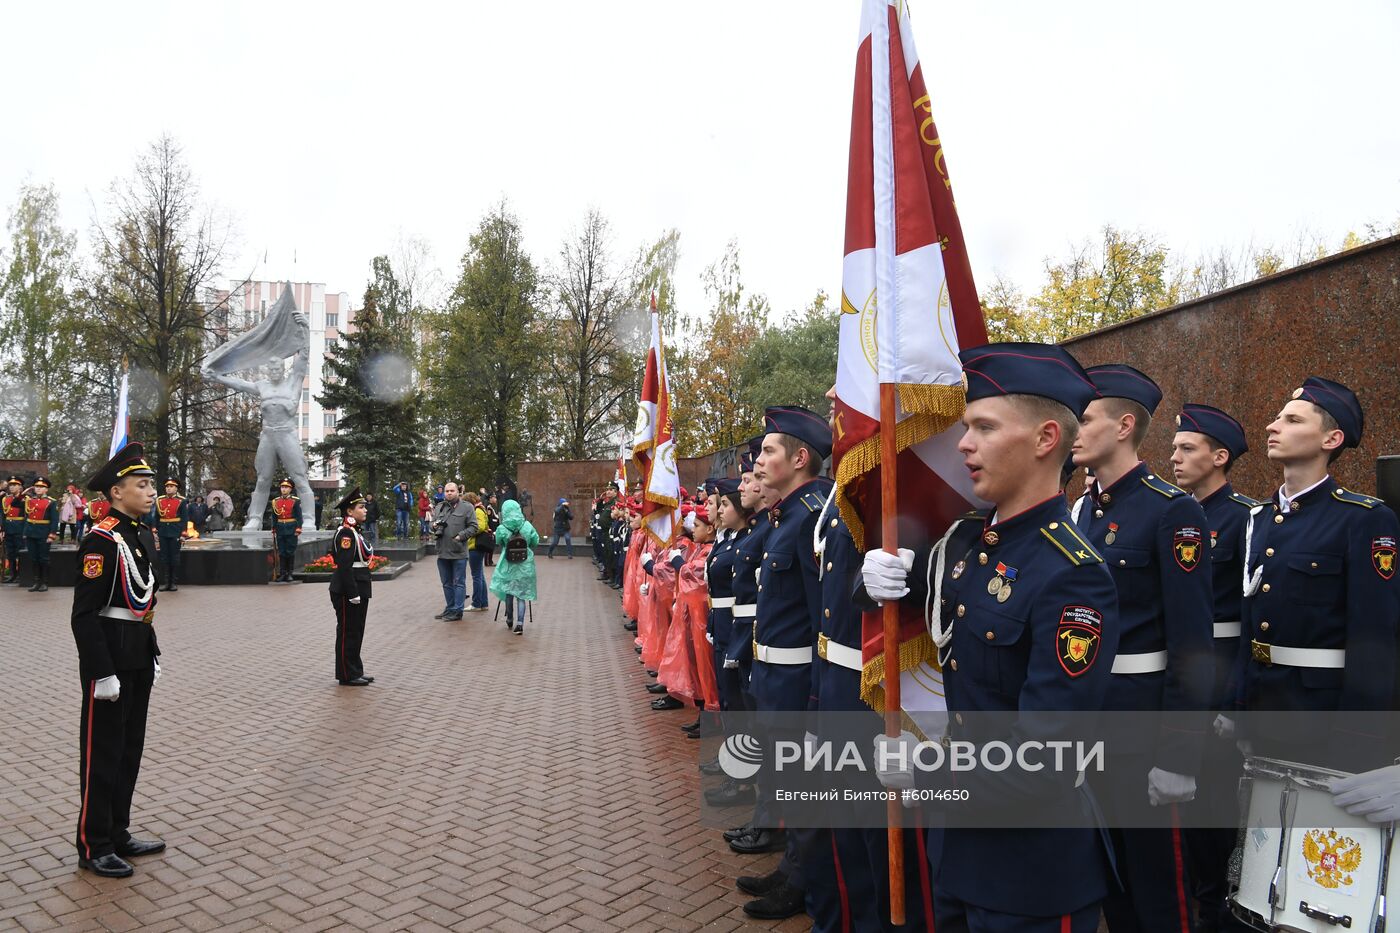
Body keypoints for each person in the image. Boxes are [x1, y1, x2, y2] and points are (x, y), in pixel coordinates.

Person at [863, 341, 1120, 933]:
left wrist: (921, 770)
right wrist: (872, 577)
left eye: (983, 426)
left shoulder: (1073, 575)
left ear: (1045, 439)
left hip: (1030, 869)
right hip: (960, 850)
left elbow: (1046, 760)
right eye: (966, 427)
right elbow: (896, 588)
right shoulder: (965, 546)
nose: (963, 444)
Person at [1071, 363, 1213, 933]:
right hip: (1087, 725)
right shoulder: (1080, 511)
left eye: (1084, 419)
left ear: (1125, 425)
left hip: (1142, 727)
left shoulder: (1172, 510)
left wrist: (1179, 754)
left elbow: (1192, 640)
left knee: (1159, 888)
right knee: (1109, 881)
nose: (1072, 431)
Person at [1223, 377, 1399, 772]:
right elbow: (1250, 624)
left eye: (1291, 420)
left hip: (1323, 721)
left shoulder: (1363, 519)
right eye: (1275, 418)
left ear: (1331, 439)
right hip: (1263, 710)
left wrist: (1360, 741)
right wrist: (1237, 707)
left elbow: (1374, 640)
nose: (1272, 426)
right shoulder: (1259, 519)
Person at [738, 407, 834, 921]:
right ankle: (791, 867)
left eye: (769, 450)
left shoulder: (810, 516)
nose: (759, 458)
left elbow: (822, 615)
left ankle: (801, 883)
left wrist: (817, 691)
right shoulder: (786, 515)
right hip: (776, 672)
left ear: (800, 459)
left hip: (800, 677)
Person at [1169, 403, 1259, 933]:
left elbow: (1252, 619)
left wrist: (1236, 702)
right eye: (1175, 448)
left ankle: (1220, 910)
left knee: (1215, 814)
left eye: (1187, 449)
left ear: (1219, 457)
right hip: (1181, 678)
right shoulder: (1171, 513)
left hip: (1222, 681)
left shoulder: (1245, 519)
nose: (1175, 458)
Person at [71, 441, 164, 878]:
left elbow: (143, 603)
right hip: (110, 661)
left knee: (129, 751)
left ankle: (119, 831)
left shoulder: (138, 535)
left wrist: (152, 653)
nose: (151, 492)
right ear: (115, 492)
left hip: (136, 657)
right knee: (102, 753)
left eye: (152, 485)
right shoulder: (101, 541)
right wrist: (101, 672)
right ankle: (95, 843)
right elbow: (84, 616)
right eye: (142, 485)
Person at [330, 488, 375, 686]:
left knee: (357, 631)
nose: (365, 510)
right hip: (349, 589)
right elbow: (344, 566)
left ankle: (355, 669)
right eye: (361, 507)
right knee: (348, 631)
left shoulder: (354, 531)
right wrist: (352, 592)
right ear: (349, 512)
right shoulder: (346, 534)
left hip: (359, 585)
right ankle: (346, 674)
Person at [491, 499, 539, 634]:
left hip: (507, 564)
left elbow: (498, 541)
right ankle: (520, 624)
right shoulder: (527, 525)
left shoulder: (502, 527)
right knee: (522, 595)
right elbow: (535, 541)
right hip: (525, 565)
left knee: (509, 592)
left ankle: (509, 619)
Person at [431, 481, 478, 622]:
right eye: (447, 491)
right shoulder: (440, 507)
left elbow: (474, 527)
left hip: (458, 552)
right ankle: (450, 608)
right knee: (446, 583)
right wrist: (433, 526)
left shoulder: (467, 507)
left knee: (458, 582)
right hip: (442, 550)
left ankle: (457, 611)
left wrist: (460, 536)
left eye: (452, 491)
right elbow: (431, 523)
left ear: (458, 492)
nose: (449, 493)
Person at [24, 476, 59, 591]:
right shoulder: (30, 500)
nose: (38, 489)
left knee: (43, 558)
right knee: (33, 558)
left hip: (43, 533)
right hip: (31, 533)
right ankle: (36, 581)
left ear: (46, 489)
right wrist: (25, 532)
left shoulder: (51, 502)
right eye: (37, 487)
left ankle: (44, 582)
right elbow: (26, 516)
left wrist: (52, 534)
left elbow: (54, 520)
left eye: (41, 487)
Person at [153, 480, 189, 592]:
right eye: (167, 486)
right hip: (163, 531)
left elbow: (184, 518)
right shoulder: (159, 500)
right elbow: (157, 517)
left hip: (175, 531)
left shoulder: (182, 501)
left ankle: (173, 582)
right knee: (164, 557)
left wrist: (183, 533)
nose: (168, 488)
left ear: (176, 488)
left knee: (174, 557)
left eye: (171, 486)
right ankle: (165, 582)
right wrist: (155, 529)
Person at [270, 479, 302, 582]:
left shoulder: (295, 501)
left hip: (291, 527)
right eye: (282, 487)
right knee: (282, 551)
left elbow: (299, 516)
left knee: (290, 551)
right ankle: (283, 573)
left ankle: (289, 573)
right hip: (280, 528)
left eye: (286, 487)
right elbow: (274, 516)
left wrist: (298, 528)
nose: (284, 489)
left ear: (290, 489)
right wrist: (274, 527)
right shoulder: (276, 501)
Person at [464, 492, 490, 612]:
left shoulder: (477, 510)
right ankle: (483, 603)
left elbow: (479, 526)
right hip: (478, 546)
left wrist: (467, 532)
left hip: (475, 546)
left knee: (476, 576)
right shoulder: (481, 509)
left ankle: (476, 603)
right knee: (480, 575)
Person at [2, 475, 26, 585]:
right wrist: (1, 529)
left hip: (19, 527)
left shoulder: (25, 499)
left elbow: (27, 515)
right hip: (8, 528)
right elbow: (2, 515)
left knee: (19, 552)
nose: (12, 487)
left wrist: (25, 531)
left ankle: (22, 574)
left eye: (15, 485)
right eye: (10, 485)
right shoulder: (5, 498)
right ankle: (13, 574)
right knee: (10, 553)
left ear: (20, 487)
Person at [482, 495, 501, 566]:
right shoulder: (488, 508)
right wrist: (491, 530)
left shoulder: (493, 507)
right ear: (490, 498)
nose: (495, 499)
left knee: (492, 546)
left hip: (494, 529)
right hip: (491, 530)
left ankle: (490, 561)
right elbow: (489, 520)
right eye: (494, 497)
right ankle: (487, 562)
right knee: (489, 546)